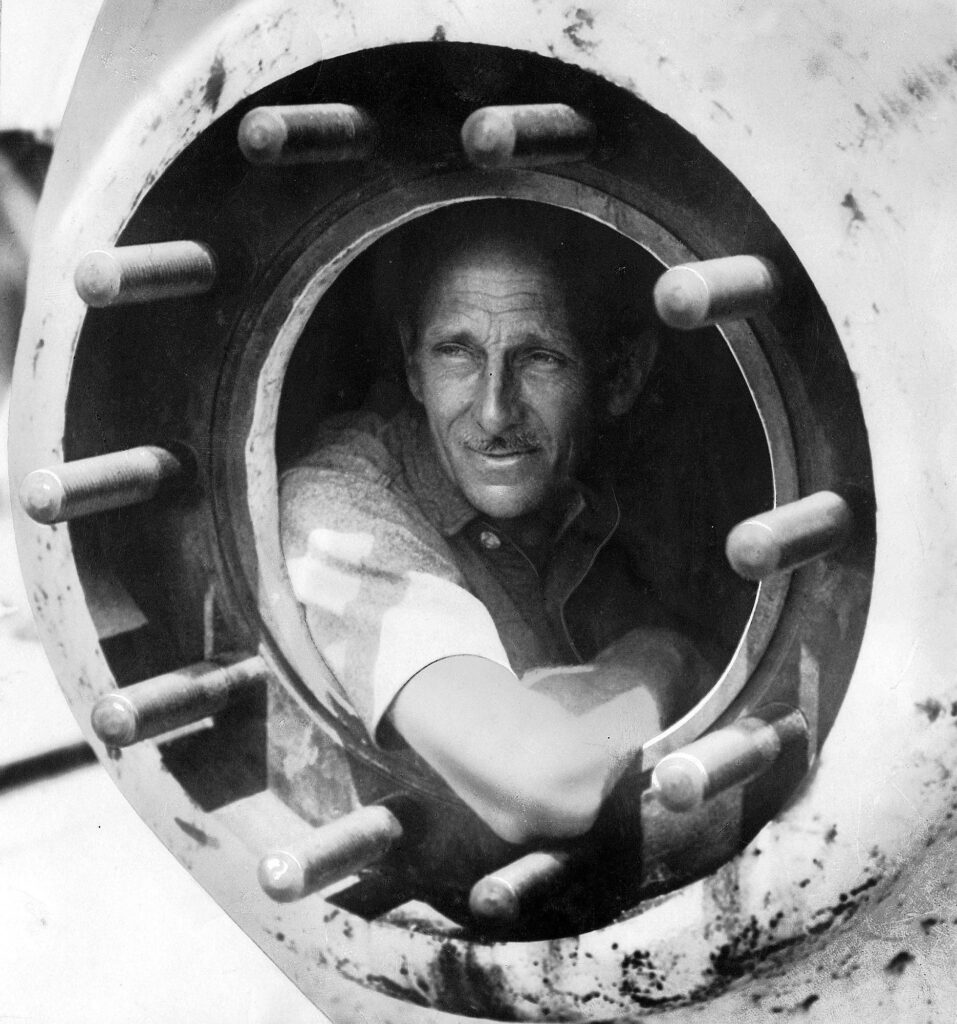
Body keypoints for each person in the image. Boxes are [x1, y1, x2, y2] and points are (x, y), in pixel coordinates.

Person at [280, 202, 719, 846]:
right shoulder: (339, 504)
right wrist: (666, 656)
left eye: (540, 357)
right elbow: (537, 784)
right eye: (456, 352)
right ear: (411, 364)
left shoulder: (624, 485)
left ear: (621, 377)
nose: (492, 412)